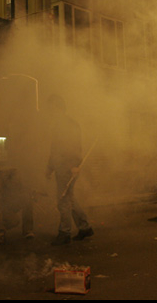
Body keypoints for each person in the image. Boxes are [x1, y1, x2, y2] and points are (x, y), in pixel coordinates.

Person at [45, 94, 93, 246]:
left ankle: (64, 232)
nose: (50, 111)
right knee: (69, 198)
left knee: (63, 200)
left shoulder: (67, 125)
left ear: (58, 108)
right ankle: (84, 227)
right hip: (63, 167)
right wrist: (50, 167)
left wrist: (74, 165)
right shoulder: (60, 125)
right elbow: (55, 149)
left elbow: (74, 147)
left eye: (51, 108)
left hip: (67, 167)